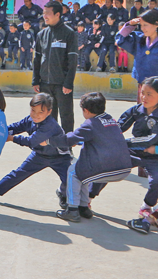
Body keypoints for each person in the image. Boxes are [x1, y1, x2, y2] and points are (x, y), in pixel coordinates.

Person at [90, 77, 158, 219]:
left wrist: (124, 143)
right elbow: (118, 127)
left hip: (154, 154)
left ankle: (147, 206)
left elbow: (151, 139)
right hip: (132, 152)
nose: (144, 97)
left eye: (149, 94)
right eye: (143, 93)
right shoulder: (136, 110)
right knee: (105, 168)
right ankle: (87, 199)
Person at [116, 13, 158, 181]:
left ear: (156, 25)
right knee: (144, 126)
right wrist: (129, 24)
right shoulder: (138, 40)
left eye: (146, 25)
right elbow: (120, 40)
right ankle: (147, 169)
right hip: (144, 89)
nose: (143, 28)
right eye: (141, 25)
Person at [47, 92, 132, 223]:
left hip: (105, 169)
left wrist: (48, 141)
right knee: (82, 171)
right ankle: (83, 207)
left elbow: (68, 139)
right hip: (124, 169)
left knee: (73, 172)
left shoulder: (90, 123)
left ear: (85, 110)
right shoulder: (111, 120)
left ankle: (72, 209)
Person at [0, 93, 71, 208]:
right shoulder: (30, 120)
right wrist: (1, 131)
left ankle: (62, 193)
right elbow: (17, 127)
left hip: (60, 158)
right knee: (18, 174)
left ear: (49, 112)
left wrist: (11, 138)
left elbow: (31, 141)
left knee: (69, 180)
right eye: (33, 110)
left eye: (41, 112)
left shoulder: (50, 125)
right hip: (39, 155)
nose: (36, 115)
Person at [32, 1, 78, 133]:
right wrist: (36, 80)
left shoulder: (69, 33)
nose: (44, 16)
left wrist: (68, 83)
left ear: (58, 14)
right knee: (47, 116)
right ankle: (50, 146)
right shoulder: (41, 35)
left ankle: (66, 146)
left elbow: (72, 61)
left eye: (47, 13)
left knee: (66, 116)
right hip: (45, 83)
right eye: (43, 13)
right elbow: (37, 59)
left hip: (62, 84)